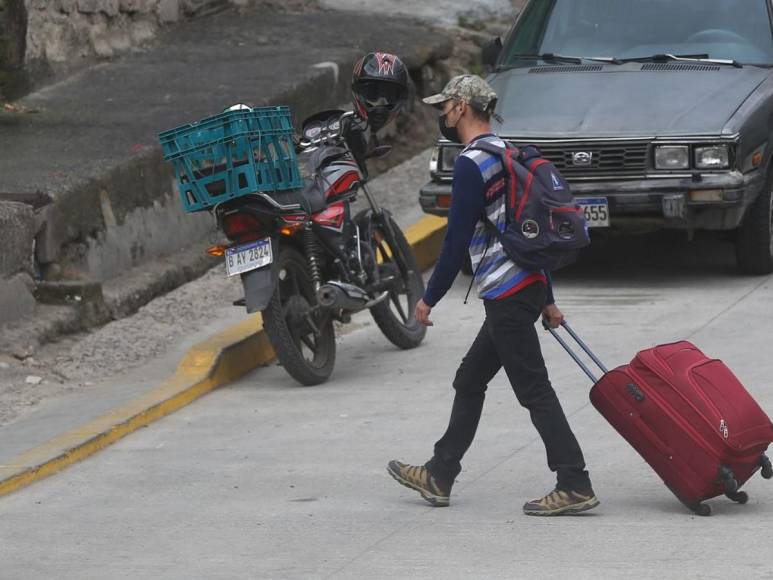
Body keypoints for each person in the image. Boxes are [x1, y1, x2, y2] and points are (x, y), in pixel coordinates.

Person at [386, 75, 599, 516]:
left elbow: (455, 240)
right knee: (469, 380)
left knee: (534, 389)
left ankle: (574, 481)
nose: (442, 115)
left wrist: (429, 298)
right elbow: (529, 230)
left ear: (462, 107)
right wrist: (546, 296)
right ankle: (439, 473)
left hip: (507, 291)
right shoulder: (507, 152)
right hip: (523, 286)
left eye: (445, 107)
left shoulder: (470, 163)